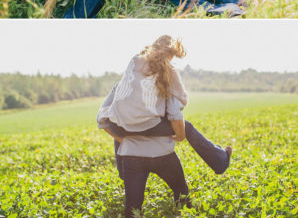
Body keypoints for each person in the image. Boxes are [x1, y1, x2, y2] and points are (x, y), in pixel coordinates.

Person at [97, 35, 232, 218]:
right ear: (169, 55)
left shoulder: (122, 85)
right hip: (162, 155)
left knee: (132, 210)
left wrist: (124, 138)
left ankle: (122, 171)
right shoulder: (168, 76)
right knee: (182, 197)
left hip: (130, 157)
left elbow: (102, 120)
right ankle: (220, 161)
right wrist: (180, 135)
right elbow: (176, 116)